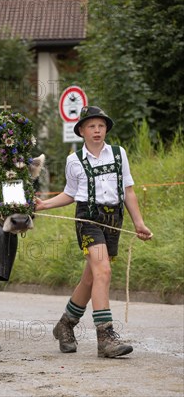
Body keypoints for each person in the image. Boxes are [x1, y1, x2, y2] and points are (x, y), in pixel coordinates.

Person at [35, 106, 152, 358]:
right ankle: (105, 337)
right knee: (104, 271)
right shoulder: (74, 160)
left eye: (101, 126)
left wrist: (138, 223)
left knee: (91, 278)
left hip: (114, 220)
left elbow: (128, 191)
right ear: (81, 131)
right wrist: (45, 204)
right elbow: (70, 193)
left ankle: (65, 324)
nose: (97, 130)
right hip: (87, 219)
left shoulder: (119, 154)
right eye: (91, 126)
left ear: (106, 129)